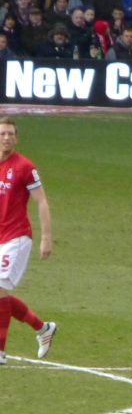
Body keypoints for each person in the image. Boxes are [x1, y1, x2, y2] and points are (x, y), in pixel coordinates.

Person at [0, 118, 56, 367]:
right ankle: (43, 328)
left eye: (11, 134)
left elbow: (41, 201)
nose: (6, 138)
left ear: (17, 138)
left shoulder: (24, 167)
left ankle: (0, 352)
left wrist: (46, 237)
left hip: (17, 237)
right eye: (2, 133)